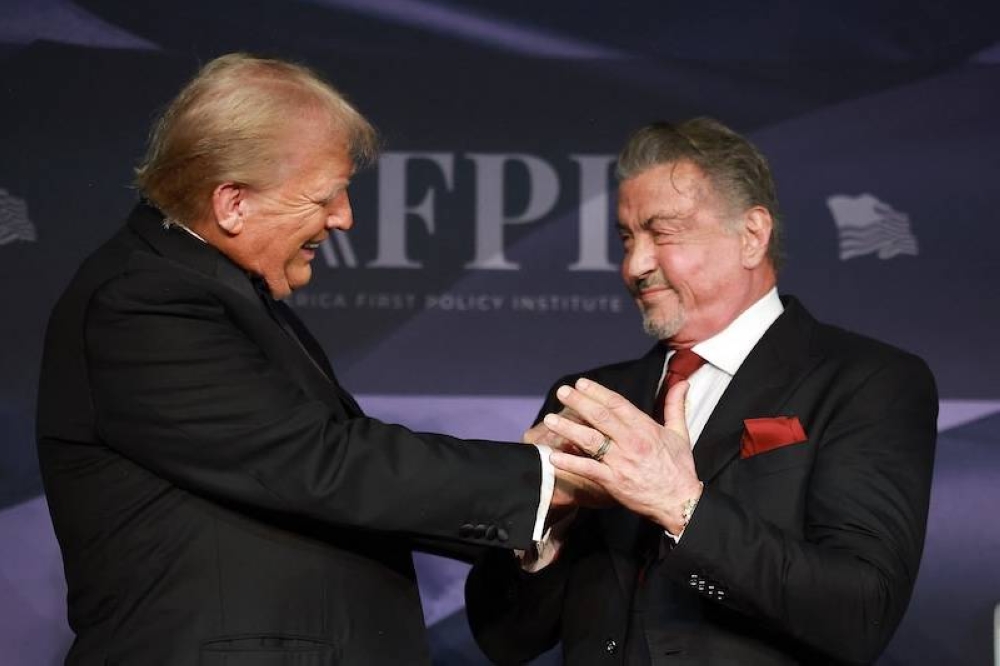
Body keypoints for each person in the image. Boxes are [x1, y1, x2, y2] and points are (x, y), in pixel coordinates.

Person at [35, 53, 594, 666]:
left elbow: (325, 480)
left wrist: (531, 502)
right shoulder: (144, 303)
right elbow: (317, 463)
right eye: (325, 196)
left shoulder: (212, 291)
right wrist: (538, 478)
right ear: (232, 204)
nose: (345, 217)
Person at [465, 119, 938, 665]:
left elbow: (861, 615)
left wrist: (680, 505)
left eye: (662, 233)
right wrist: (544, 528)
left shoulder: (867, 382)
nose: (635, 265)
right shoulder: (588, 401)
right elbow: (503, 640)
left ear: (752, 235)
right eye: (626, 238)